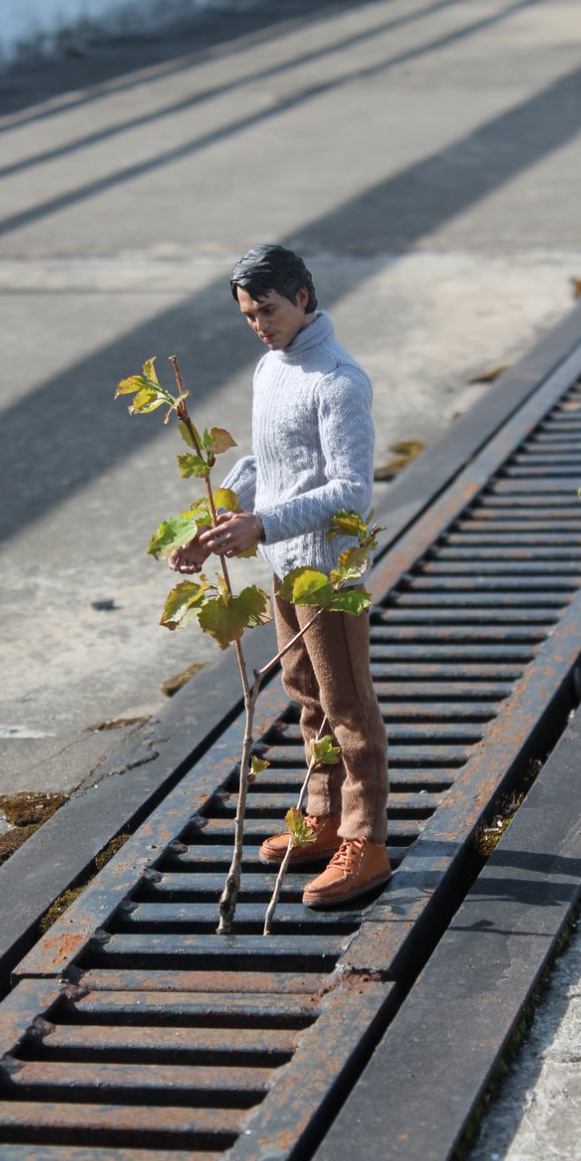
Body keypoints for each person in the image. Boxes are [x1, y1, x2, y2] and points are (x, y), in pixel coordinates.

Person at [168, 244, 390, 907]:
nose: (258, 323)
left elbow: (351, 492)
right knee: (307, 694)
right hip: (285, 564)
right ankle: (321, 816)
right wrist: (214, 521)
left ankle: (367, 841)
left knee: (348, 704)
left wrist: (263, 525)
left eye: (267, 309)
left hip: (328, 572)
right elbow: (271, 463)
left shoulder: (338, 380)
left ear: (302, 296)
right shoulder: (273, 370)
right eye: (247, 314)